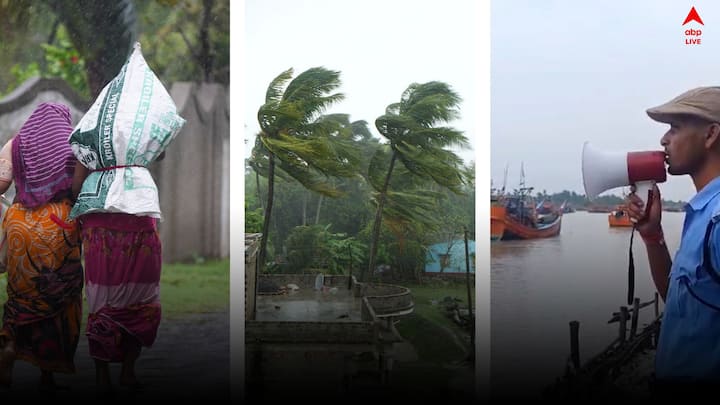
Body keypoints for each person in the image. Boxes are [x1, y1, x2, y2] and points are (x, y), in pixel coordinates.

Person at [626, 86, 720, 397]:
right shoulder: (702, 212)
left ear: (710, 135)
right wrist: (653, 235)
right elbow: (683, 303)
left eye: (675, 127)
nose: (664, 140)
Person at [0, 103, 83, 392]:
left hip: (20, 224)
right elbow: (77, 190)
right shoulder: (74, 144)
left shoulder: (16, 143)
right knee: (60, 294)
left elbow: (1, 183)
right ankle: (48, 369)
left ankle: (10, 345)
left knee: (20, 294)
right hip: (58, 225)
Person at [70, 150, 166, 394]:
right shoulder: (140, 127)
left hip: (99, 224)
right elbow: (160, 151)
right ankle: (128, 372)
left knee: (102, 301)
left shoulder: (92, 133)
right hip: (139, 218)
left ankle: (103, 376)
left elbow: (77, 184)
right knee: (141, 300)